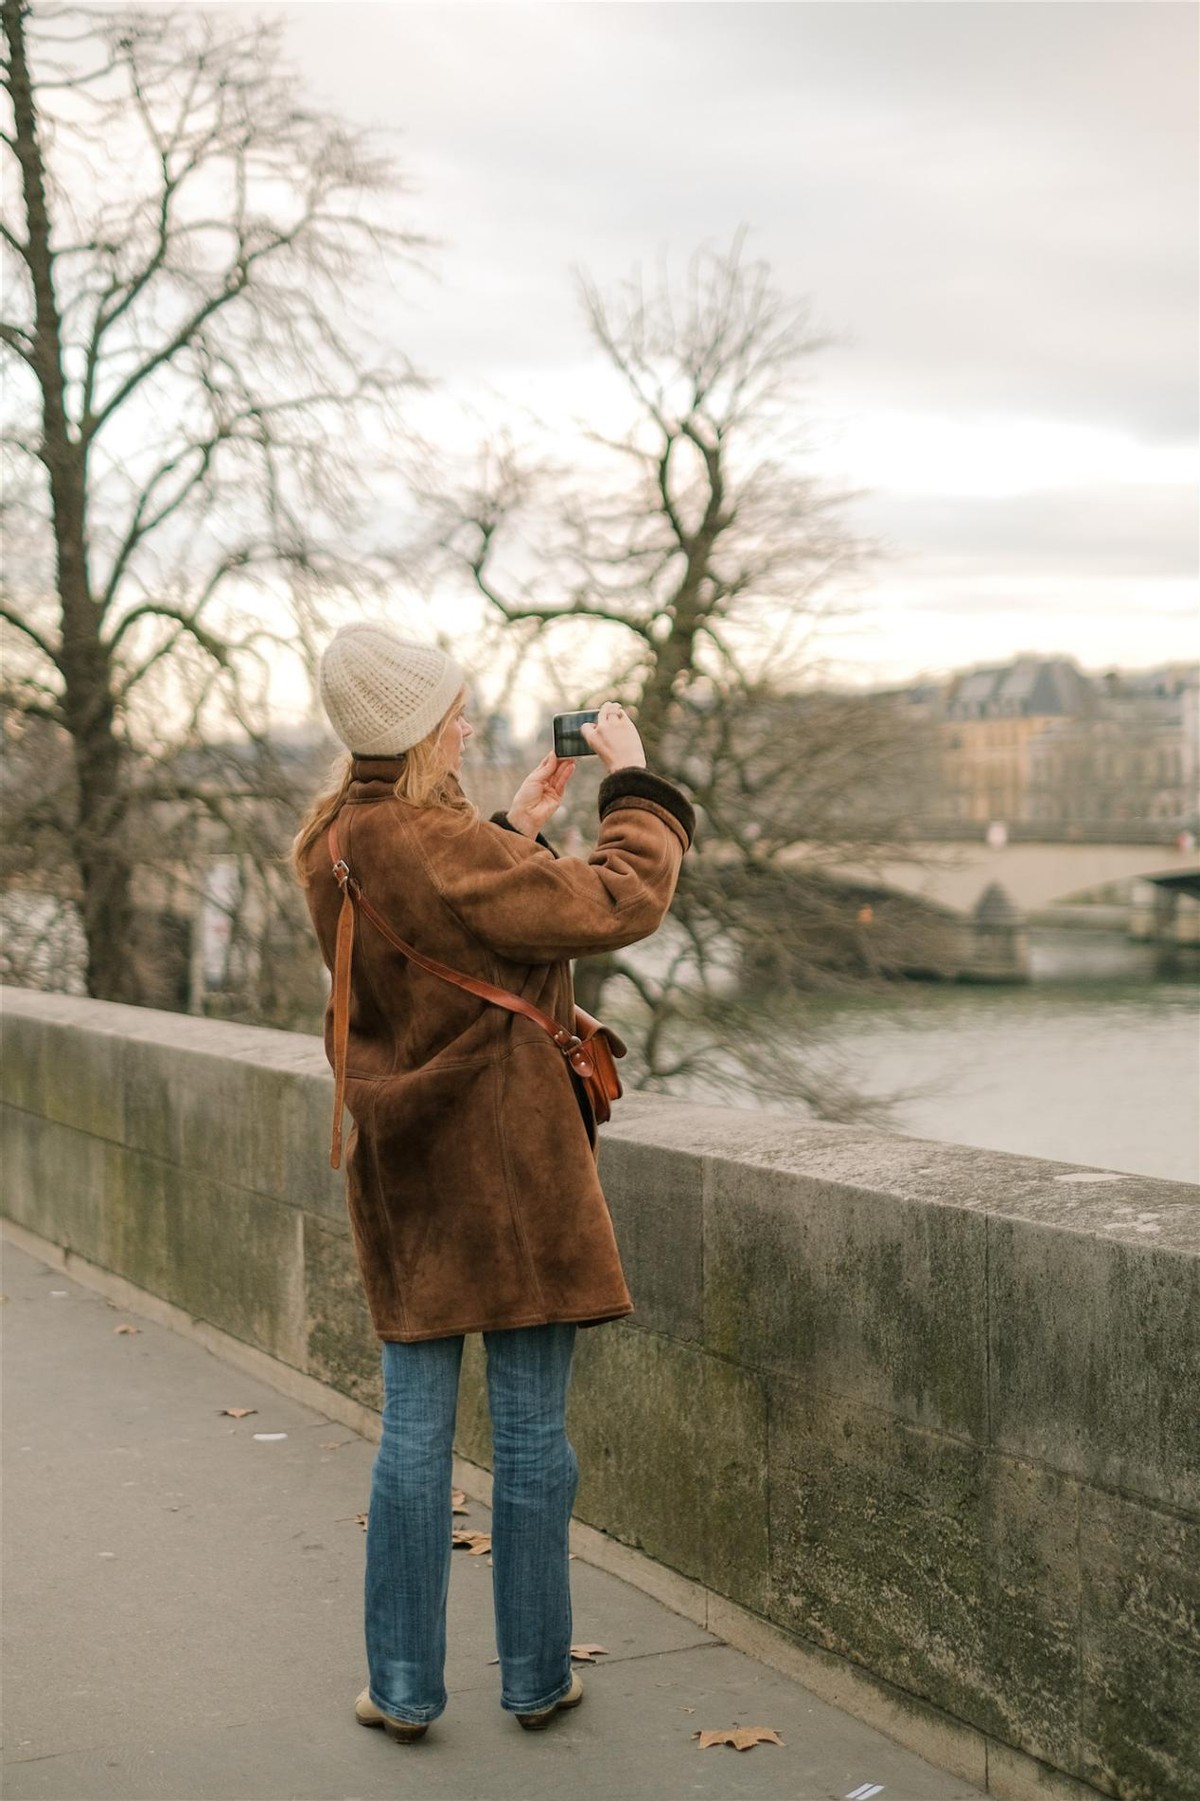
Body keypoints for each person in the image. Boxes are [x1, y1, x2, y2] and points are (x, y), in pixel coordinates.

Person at [291, 621, 694, 1741]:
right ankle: (532, 1677)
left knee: (413, 1437)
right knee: (528, 1440)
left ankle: (404, 1688)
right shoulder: (437, 844)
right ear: (420, 728)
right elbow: (619, 900)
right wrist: (637, 784)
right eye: (454, 709)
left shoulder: (336, 840)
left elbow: (428, 936)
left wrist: (515, 827)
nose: (468, 721)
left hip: (404, 1167)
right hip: (509, 1170)